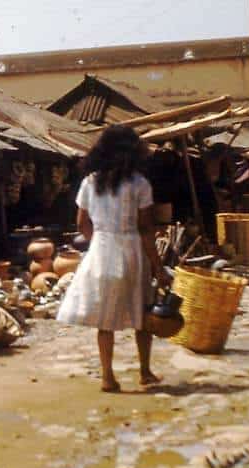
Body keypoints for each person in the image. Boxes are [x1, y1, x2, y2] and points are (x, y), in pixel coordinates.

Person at [56, 125, 169, 393]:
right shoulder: (140, 184)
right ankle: (145, 372)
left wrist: (99, 240)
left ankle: (107, 376)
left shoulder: (89, 182)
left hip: (101, 251)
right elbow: (145, 229)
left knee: (105, 320)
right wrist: (158, 266)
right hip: (131, 252)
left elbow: (82, 222)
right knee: (143, 314)